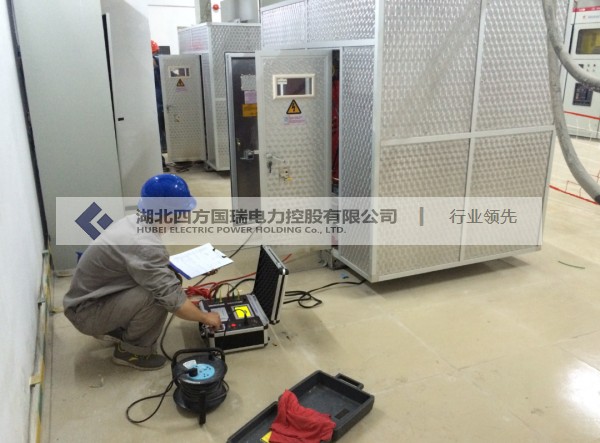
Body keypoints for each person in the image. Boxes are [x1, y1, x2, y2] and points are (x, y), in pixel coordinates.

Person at [63, 174, 222, 370]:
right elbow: (171, 297)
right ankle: (132, 352)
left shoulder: (135, 222)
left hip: (90, 300)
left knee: (169, 279)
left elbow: (149, 265)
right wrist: (205, 317)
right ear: (169, 215)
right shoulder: (144, 244)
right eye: (182, 212)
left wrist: (196, 268)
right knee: (158, 296)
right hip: (87, 313)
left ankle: (120, 326)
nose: (185, 218)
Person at [151, 40, 168, 172]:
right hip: (156, 105)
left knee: (161, 133)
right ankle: (159, 162)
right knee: (157, 134)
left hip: (162, 104)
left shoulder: (160, 62)